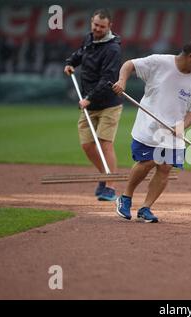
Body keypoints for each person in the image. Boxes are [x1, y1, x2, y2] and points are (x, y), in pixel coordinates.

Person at [112, 40, 191, 223]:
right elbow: (129, 64)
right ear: (190, 57)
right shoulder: (159, 62)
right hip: (149, 126)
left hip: (174, 131)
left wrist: (181, 127)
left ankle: (146, 208)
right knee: (147, 162)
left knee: (165, 167)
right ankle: (125, 197)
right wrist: (122, 81)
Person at [64, 8, 123, 201]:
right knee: (88, 145)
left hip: (108, 104)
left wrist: (89, 97)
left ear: (109, 26)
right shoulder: (89, 39)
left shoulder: (113, 49)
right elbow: (81, 53)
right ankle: (105, 176)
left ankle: (111, 187)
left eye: (102, 26)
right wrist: (71, 62)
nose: (97, 29)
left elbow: (107, 79)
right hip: (89, 104)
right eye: (95, 25)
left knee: (105, 143)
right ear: (92, 22)